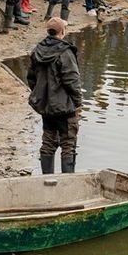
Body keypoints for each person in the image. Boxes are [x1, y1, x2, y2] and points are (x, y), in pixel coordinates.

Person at [27, 19, 83, 176]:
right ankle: (68, 182)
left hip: (46, 106)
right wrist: (77, 102)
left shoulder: (37, 50)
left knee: (48, 142)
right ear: (62, 32)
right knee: (68, 144)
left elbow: (31, 77)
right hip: (65, 107)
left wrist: (41, 96)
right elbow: (72, 80)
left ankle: (46, 180)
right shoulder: (65, 52)